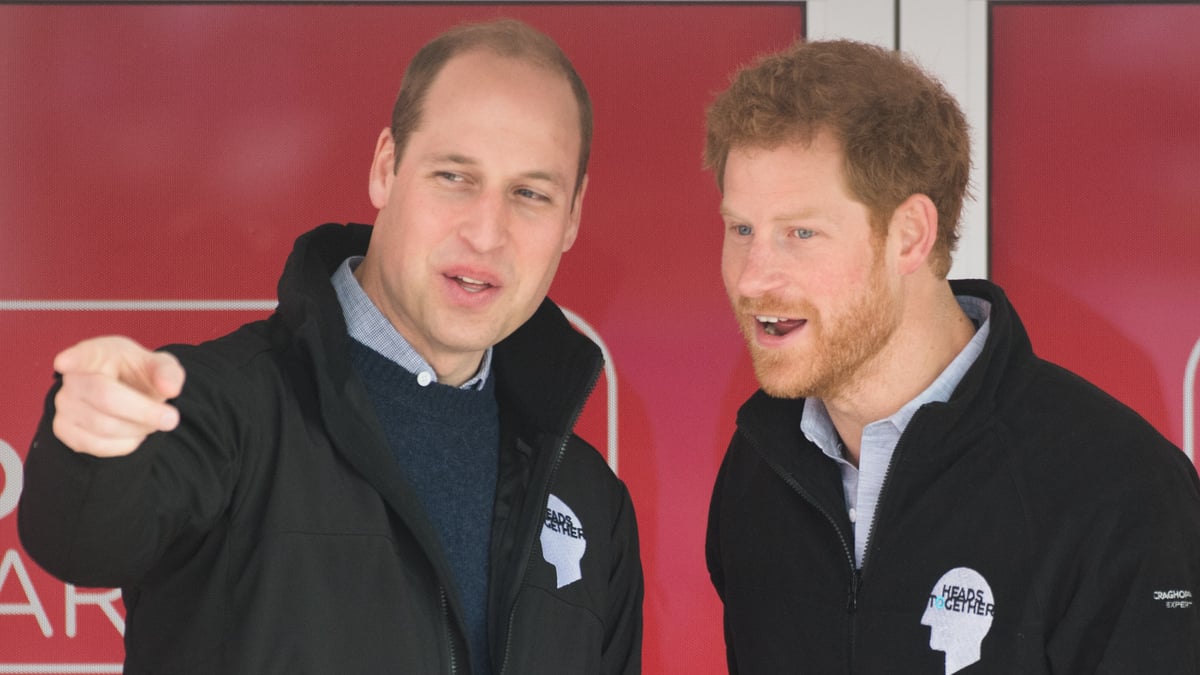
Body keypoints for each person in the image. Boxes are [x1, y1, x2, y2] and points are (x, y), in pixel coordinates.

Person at [19, 19, 642, 674]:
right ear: (385, 168)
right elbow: (82, 539)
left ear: (571, 216)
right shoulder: (222, 406)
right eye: (455, 177)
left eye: (530, 194)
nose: (487, 233)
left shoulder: (588, 496)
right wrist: (90, 449)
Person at [703, 38, 1200, 674]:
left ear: (910, 235)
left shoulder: (1120, 488)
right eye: (741, 229)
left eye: (800, 233)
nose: (751, 278)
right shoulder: (760, 467)